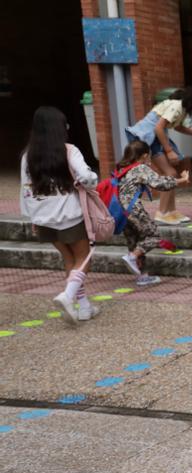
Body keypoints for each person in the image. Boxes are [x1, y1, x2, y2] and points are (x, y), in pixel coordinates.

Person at [20, 106, 100, 323]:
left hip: (42, 218)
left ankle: (83, 307)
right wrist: (91, 178)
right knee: (84, 258)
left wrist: (32, 217)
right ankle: (67, 296)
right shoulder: (69, 150)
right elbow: (86, 177)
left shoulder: (28, 156)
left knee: (69, 258)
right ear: (59, 127)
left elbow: (24, 190)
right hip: (70, 216)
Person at [124, 86, 192, 226]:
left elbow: (177, 127)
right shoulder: (177, 106)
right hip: (149, 137)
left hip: (156, 138)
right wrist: (169, 151)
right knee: (170, 173)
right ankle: (162, 212)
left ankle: (171, 211)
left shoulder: (182, 110)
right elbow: (158, 128)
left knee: (171, 173)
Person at [112, 140, 189, 287]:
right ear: (145, 155)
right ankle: (132, 257)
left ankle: (143, 276)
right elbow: (159, 183)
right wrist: (182, 180)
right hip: (132, 209)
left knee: (134, 241)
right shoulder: (140, 168)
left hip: (120, 212)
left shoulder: (121, 169)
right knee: (153, 235)